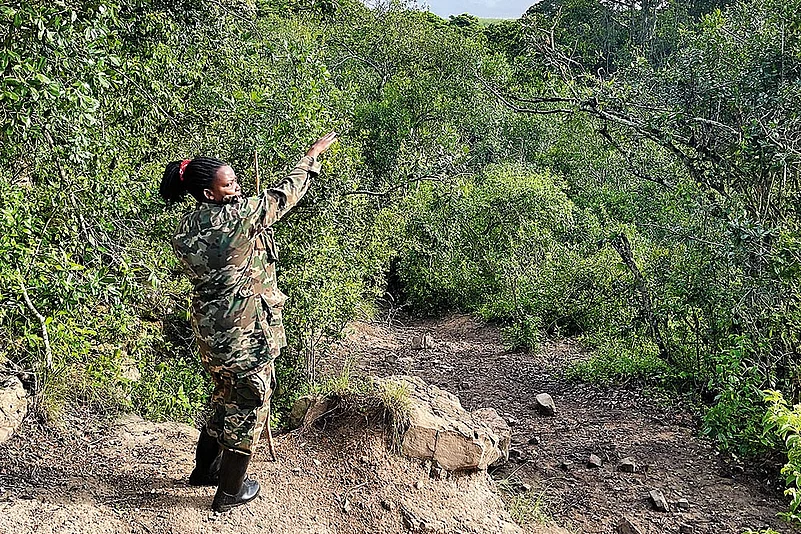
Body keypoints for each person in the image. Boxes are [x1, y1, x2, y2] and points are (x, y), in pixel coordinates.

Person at [159, 132, 338, 512]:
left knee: (224, 397)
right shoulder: (241, 218)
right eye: (230, 184)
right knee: (251, 404)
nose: (238, 189)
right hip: (246, 333)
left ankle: (203, 471)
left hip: (212, 333)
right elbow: (284, 195)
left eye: (238, 181)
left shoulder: (185, 228)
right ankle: (228, 493)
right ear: (210, 193)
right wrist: (312, 156)